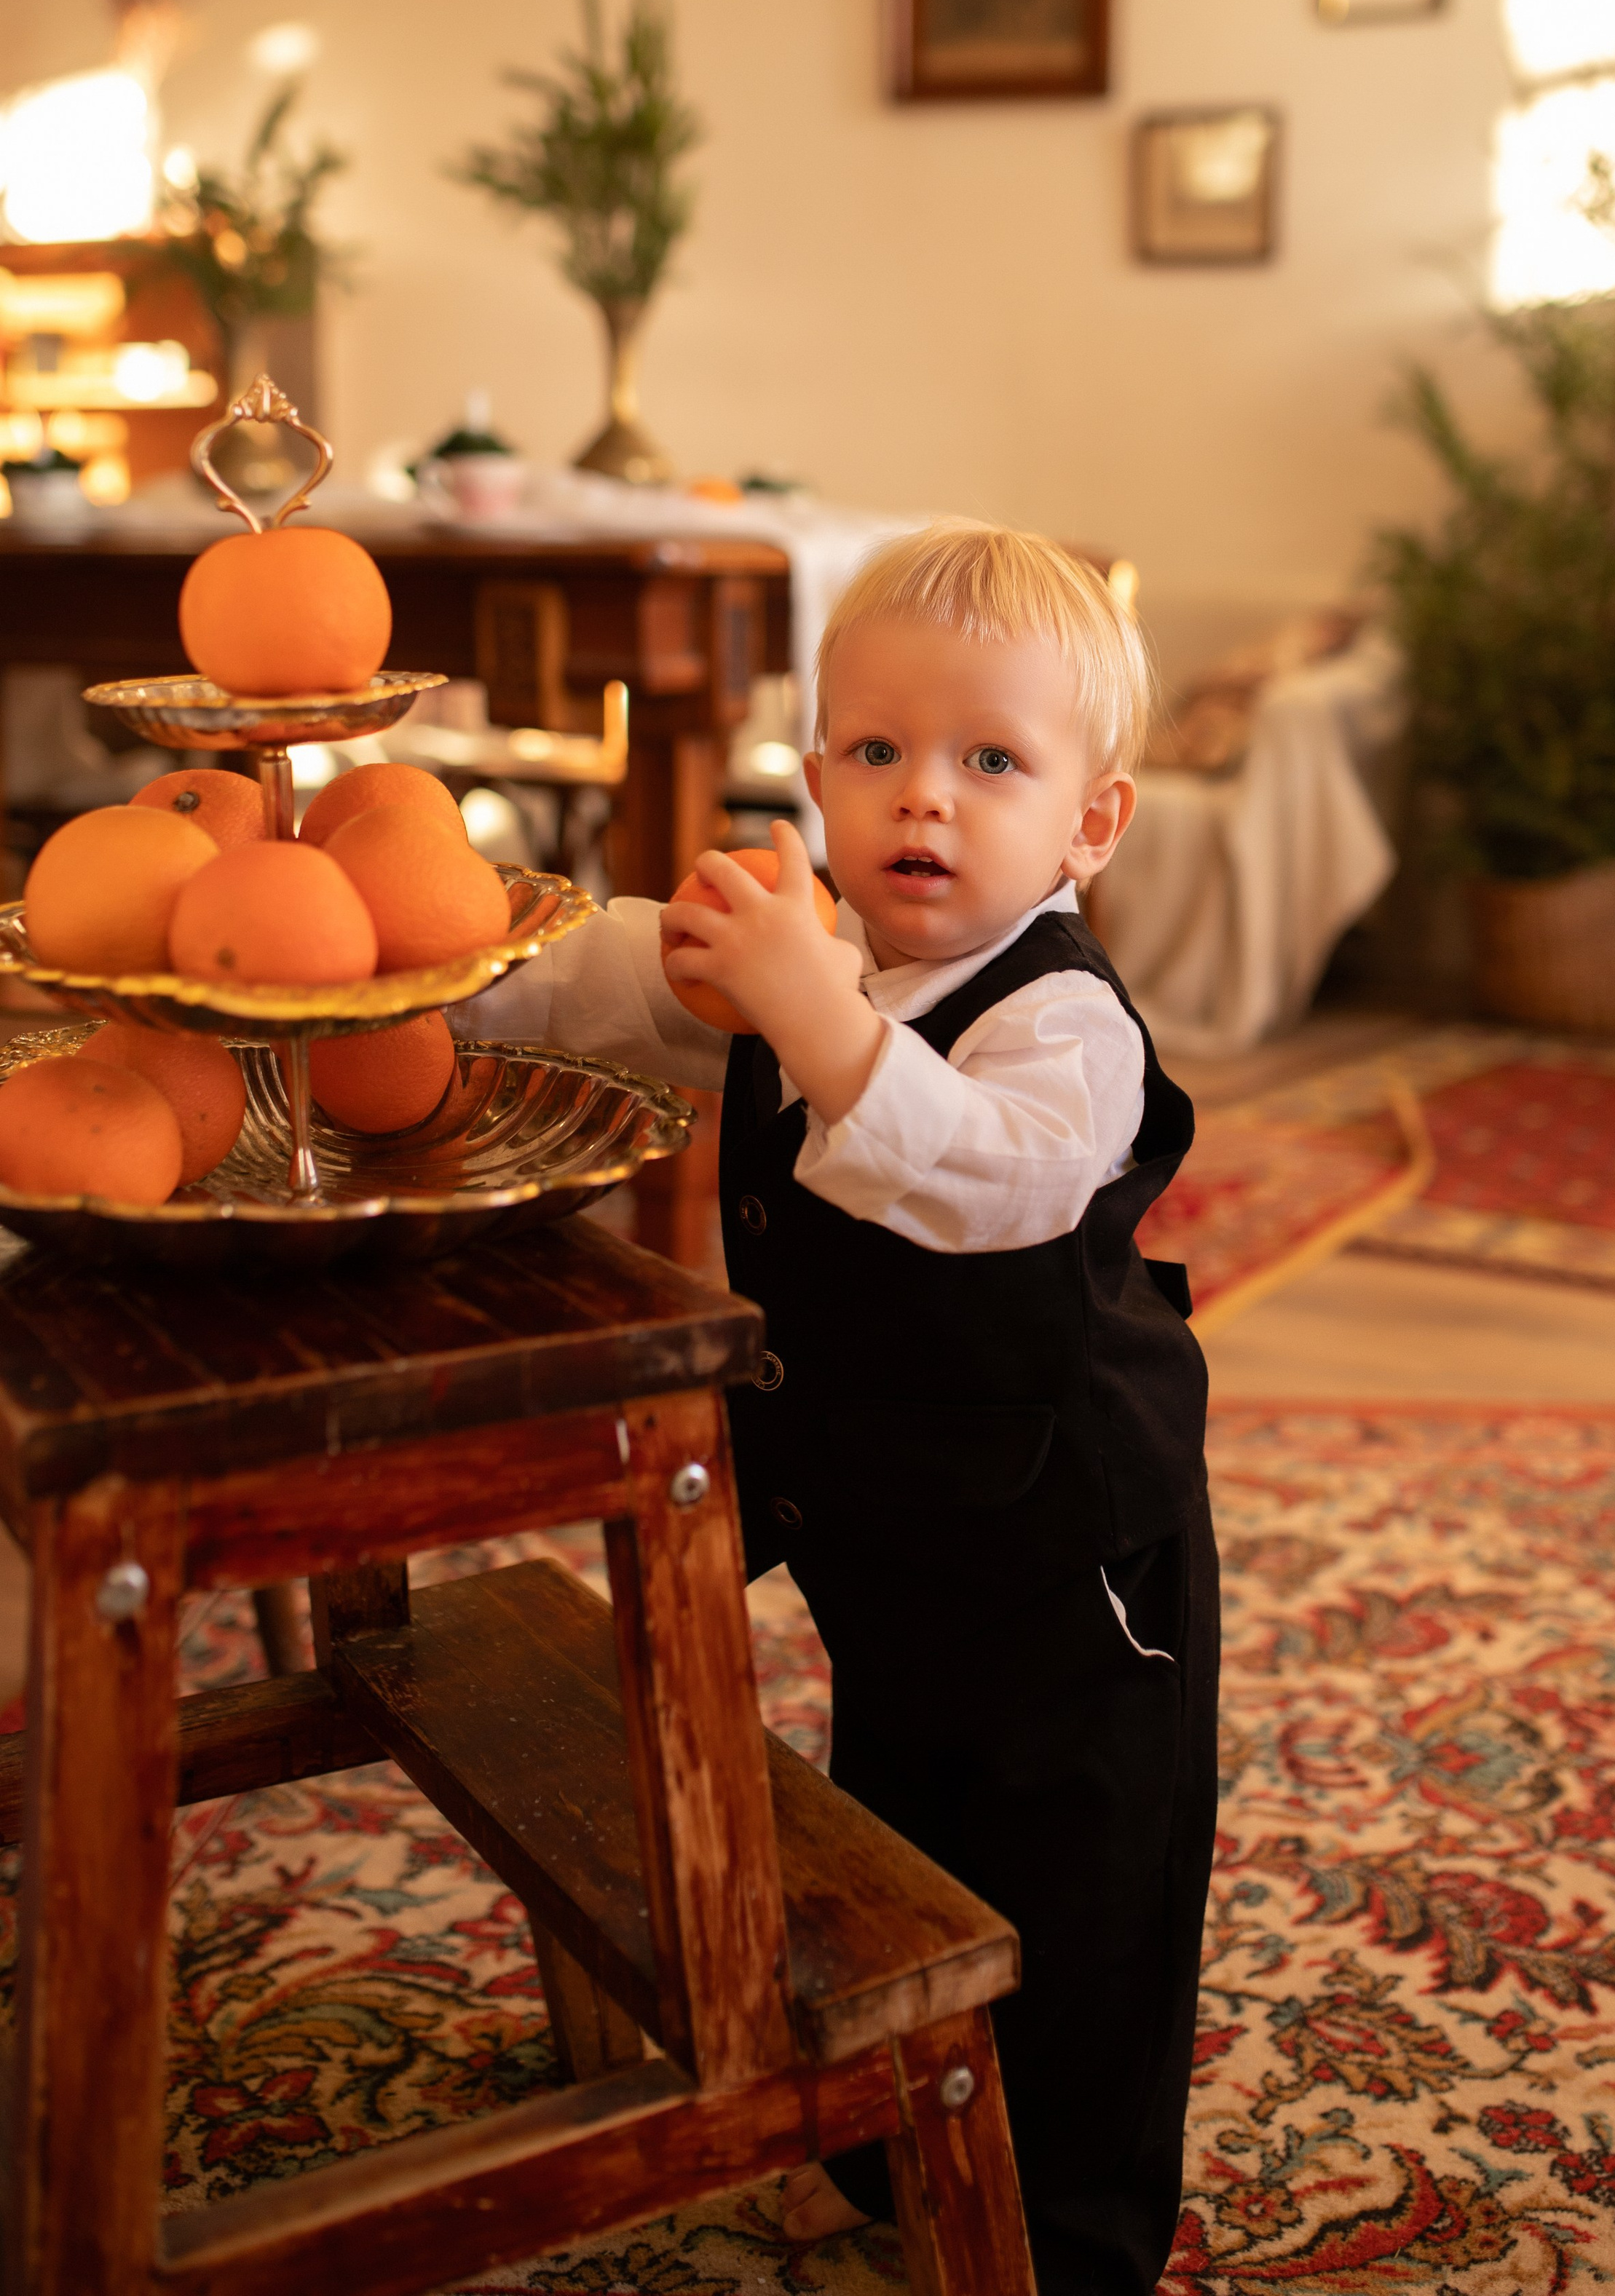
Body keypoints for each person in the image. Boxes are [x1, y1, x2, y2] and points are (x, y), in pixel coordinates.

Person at [458, 522, 1218, 2296]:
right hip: (894, 1534)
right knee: (903, 1832)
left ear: (1086, 825)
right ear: (813, 780)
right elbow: (611, 969)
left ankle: (1072, 2242)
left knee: (1078, 1904)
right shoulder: (815, 951)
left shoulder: (1062, 1026)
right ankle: (898, 2175)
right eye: (874, 753)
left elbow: (983, 1182)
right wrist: (437, 959)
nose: (921, 802)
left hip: (1070, 1567)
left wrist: (817, 1023)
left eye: (989, 762)